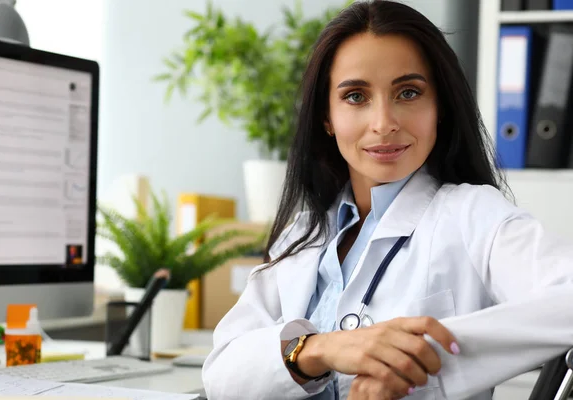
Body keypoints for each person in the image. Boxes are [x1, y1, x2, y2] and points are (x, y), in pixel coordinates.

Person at [202, 1, 573, 399]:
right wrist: (321, 349)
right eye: (356, 97)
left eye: (408, 92)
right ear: (326, 117)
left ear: (440, 108)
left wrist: (419, 360)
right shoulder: (305, 234)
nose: (384, 123)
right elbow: (222, 373)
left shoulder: (472, 214)